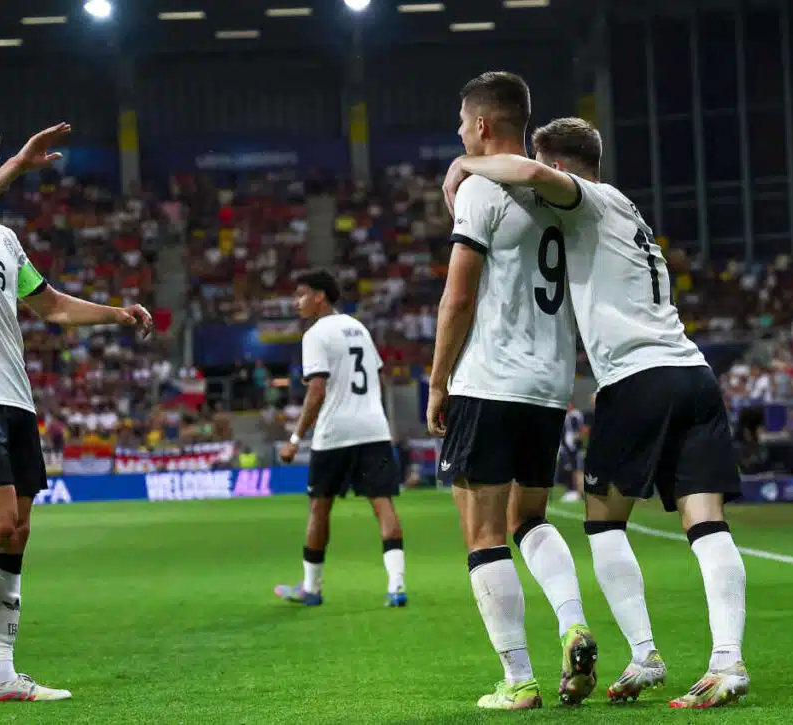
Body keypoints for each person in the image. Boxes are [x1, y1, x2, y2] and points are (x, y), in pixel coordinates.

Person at [443, 116, 749, 708]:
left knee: (605, 524)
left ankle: (643, 656)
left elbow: (531, 172)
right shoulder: (629, 208)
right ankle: (727, 662)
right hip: (694, 374)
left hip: (637, 379)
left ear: (561, 169)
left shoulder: (588, 199)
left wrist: (465, 165)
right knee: (706, 525)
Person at [0, 120, 153, 703]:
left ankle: (0, 675)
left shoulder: (5, 241)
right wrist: (19, 163)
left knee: (15, 535)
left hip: (16, 400)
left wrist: (115, 314)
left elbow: (53, 308)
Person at [426, 73, 597, 711]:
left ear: (482, 127)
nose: (460, 135)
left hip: (489, 380)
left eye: (462, 126)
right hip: (550, 387)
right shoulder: (561, 192)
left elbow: (459, 295)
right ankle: (574, 622)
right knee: (531, 520)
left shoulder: (479, 189)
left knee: (483, 534)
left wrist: (437, 380)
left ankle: (519, 679)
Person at [274, 269, 407, 608]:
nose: (296, 302)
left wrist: (295, 437)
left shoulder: (316, 334)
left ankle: (311, 588)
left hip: (335, 431)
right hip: (373, 428)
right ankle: (397, 587)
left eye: (301, 294)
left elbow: (317, 390)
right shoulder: (358, 328)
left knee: (320, 506)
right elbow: (376, 374)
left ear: (320, 296)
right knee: (383, 503)